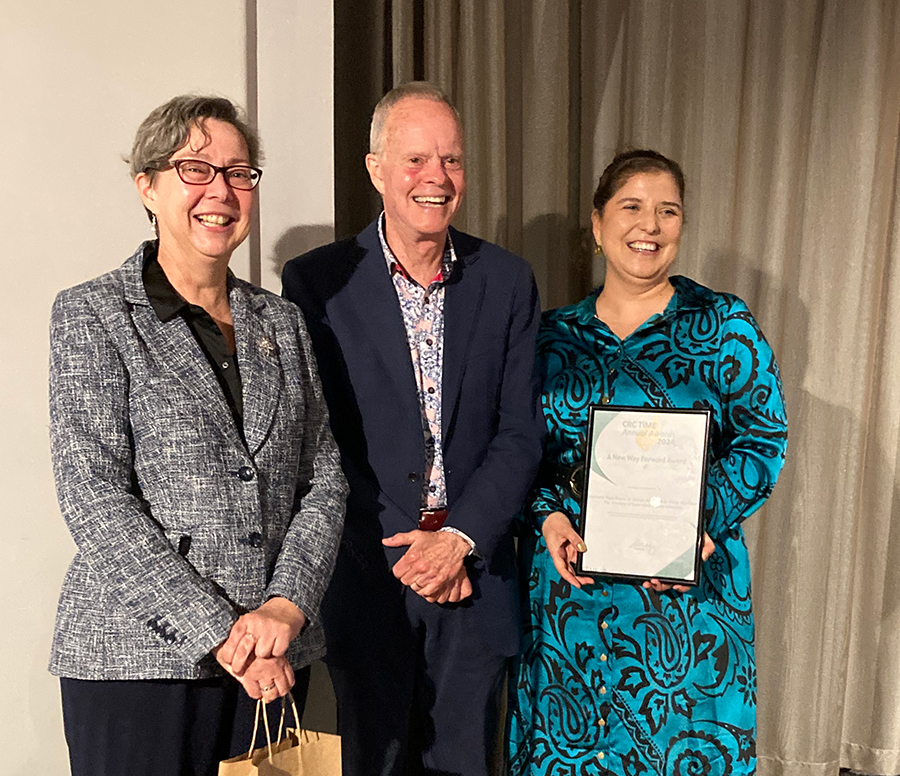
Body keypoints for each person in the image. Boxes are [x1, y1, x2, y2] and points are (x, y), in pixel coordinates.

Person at [48, 95, 346, 776]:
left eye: (240, 172)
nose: (222, 190)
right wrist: (226, 635)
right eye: (196, 168)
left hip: (274, 663)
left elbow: (322, 480)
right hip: (140, 663)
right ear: (147, 185)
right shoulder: (91, 315)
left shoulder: (282, 323)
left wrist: (286, 605)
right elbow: (94, 500)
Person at [282, 81, 544, 776]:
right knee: (377, 760)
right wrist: (415, 553)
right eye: (416, 160)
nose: (437, 178)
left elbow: (520, 434)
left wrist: (457, 541)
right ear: (375, 169)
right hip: (372, 576)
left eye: (452, 161)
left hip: (474, 576)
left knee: (463, 764)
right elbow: (319, 443)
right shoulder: (317, 283)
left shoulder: (509, 281)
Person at [507, 149, 788, 775]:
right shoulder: (549, 338)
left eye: (668, 211)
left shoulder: (722, 324)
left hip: (688, 607)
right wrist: (548, 515)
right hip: (572, 604)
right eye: (632, 207)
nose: (650, 226)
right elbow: (523, 454)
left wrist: (696, 527)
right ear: (598, 225)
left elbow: (763, 440)